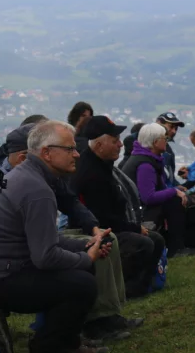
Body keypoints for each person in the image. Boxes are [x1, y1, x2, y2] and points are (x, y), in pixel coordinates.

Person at [0, 123, 135, 343]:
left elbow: (46, 240)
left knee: (81, 275)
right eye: (69, 149)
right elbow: (45, 257)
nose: (76, 154)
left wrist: (84, 245)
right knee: (82, 284)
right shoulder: (37, 189)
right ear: (46, 153)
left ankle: (71, 341)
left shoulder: (34, 177)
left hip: (3, 268)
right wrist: (86, 257)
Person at [71, 116, 167, 297]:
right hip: (95, 231)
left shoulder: (101, 165)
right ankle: (125, 289)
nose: (121, 145)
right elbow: (101, 217)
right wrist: (135, 228)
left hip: (111, 226)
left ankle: (139, 286)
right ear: (99, 146)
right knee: (145, 243)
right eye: (115, 141)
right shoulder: (92, 174)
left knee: (156, 239)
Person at [121, 123, 195, 257]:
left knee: (174, 197)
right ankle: (176, 248)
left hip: (137, 208)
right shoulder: (145, 164)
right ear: (155, 142)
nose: (166, 141)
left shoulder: (145, 158)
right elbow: (148, 197)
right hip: (139, 212)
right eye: (164, 138)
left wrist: (173, 190)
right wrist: (173, 192)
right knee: (174, 201)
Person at [156, 111, 186, 186]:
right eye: (171, 127)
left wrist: (178, 186)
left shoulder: (169, 151)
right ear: (158, 124)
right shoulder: (150, 149)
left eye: (176, 128)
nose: (174, 131)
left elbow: (170, 178)